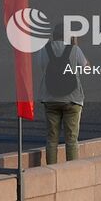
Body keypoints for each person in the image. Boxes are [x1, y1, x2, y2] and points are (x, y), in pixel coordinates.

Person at [37, 23, 88, 164]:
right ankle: (71, 170)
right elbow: (86, 67)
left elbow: (42, 67)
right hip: (72, 99)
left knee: (51, 139)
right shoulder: (74, 49)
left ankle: (51, 169)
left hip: (50, 98)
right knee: (71, 140)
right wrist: (75, 46)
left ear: (53, 36)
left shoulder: (45, 49)